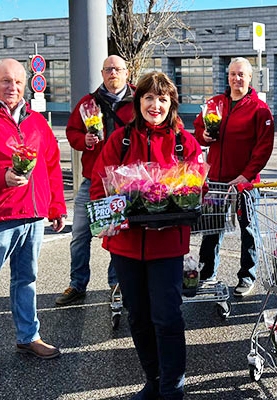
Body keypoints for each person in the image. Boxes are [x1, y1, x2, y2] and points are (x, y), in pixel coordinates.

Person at [90, 71, 203, 399]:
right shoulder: (121, 140)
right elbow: (100, 185)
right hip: (126, 245)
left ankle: (172, 387)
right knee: (137, 316)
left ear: (172, 104)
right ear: (138, 102)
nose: (156, 105)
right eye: (149, 98)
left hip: (167, 245)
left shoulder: (185, 143)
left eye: (163, 99)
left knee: (167, 317)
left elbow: (198, 188)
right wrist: (120, 204)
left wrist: (174, 192)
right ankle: (153, 381)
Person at [0, 58, 67, 359]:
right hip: (3, 215)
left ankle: (29, 336)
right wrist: (3, 176)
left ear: (25, 84)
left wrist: (56, 207)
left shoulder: (37, 122)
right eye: (4, 80)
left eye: (16, 81)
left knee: (26, 279)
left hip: (34, 215)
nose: (11, 86)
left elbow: (52, 166)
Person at [56, 55, 135, 306]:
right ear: (102, 73)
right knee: (80, 234)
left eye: (118, 69)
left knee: (118, 235)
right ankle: (77, 284)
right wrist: (84, 142)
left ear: (126, 72)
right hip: (93, 180)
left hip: (124, 183)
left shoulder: (138, 99)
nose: (113, 73)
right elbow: (72, 132)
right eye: (109, 69)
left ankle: (116, 283)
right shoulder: (88, 103)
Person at [194, 57, 274, 297]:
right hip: (216, 180)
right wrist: (204, 136)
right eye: (232, 74)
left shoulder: (259, 109)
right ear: (227, 77)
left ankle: (246, 277)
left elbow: (264, 148)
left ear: (250, 78)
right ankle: (206, 274)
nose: (236, 78)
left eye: (241, 74)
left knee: (248, 230)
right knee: (211, 229)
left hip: (244, 184)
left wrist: (246, 176)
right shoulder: (215, 103)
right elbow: (198, 130)